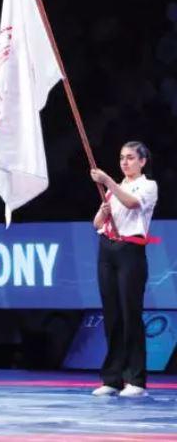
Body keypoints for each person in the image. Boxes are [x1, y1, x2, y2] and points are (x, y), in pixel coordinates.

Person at [90, 141, 158, 398]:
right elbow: (96, 222)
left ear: (142, 161)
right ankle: (112, 378)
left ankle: (136, 379)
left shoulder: (147, 186)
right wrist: (104, 213)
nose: (125, 162)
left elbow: (131, 204)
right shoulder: (112, 191)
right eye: (122, 158)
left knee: (130, 313)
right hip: (107, 250)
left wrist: (108, 181)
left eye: (130, 158)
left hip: (130, 252)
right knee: (112, 314)